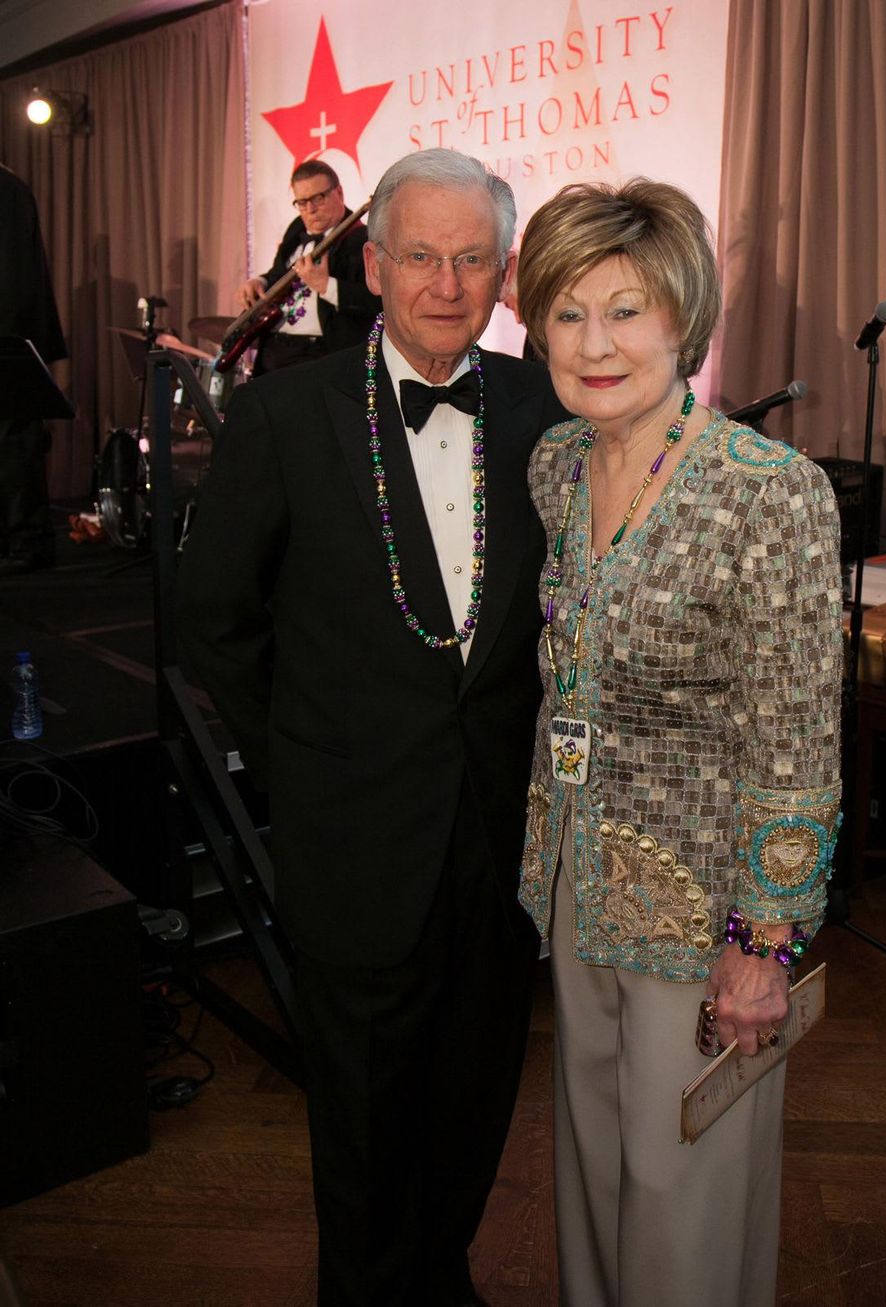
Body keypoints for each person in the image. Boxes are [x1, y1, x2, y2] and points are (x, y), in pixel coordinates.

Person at [178, 148, 566, 1307]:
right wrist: (304, 758)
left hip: (499, 834)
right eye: (418, 257)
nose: (444, 284)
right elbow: (217, 618)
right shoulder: (288, 411)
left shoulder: (542, 410)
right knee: (358, 1120)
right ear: (375, 264)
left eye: (469, 260)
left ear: (501, 274)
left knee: (475, 1090)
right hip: (351, 833)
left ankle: (437, 1276)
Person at [515, 180, 842, 1307]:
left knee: (682, 1187)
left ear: (682, 321)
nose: (592, 343)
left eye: (625, 310)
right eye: (565, 311)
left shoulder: (768, 491)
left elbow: (796, 732)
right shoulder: (555, 466)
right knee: (590, 1168)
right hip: (573, 879)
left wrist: (766, 935)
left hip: (704, 911)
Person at [236, 159, 380, 375]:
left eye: (318, 198)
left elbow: (377, 302)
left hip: (321, 354)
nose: (310, 210)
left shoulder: (365, 240)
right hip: (274, 349)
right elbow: (279, 274)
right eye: (302, 202)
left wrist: (325, 286)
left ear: (339, 193)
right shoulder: (296, 229)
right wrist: (260, 281)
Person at [0, 164, 68, 573]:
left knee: (15, 441)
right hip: (12, 336)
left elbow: (12, 276)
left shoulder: (6, 190)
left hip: (9, 339)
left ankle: (27, 541)